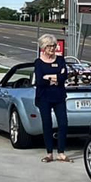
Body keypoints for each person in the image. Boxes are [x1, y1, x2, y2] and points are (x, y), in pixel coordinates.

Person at [34, 33, 71, 163]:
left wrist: (49, 77)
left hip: (59, 96)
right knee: (47, 124)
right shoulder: (38, 62)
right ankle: (49, 153)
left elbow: (63, 77)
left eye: (54, 46)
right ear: (43, 47)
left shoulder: (60, 60)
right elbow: (40, 80)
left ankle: (61, 152)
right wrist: (55, 77)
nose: (52, 48)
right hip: (44, 97)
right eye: (49, 46)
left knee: (63, 123)